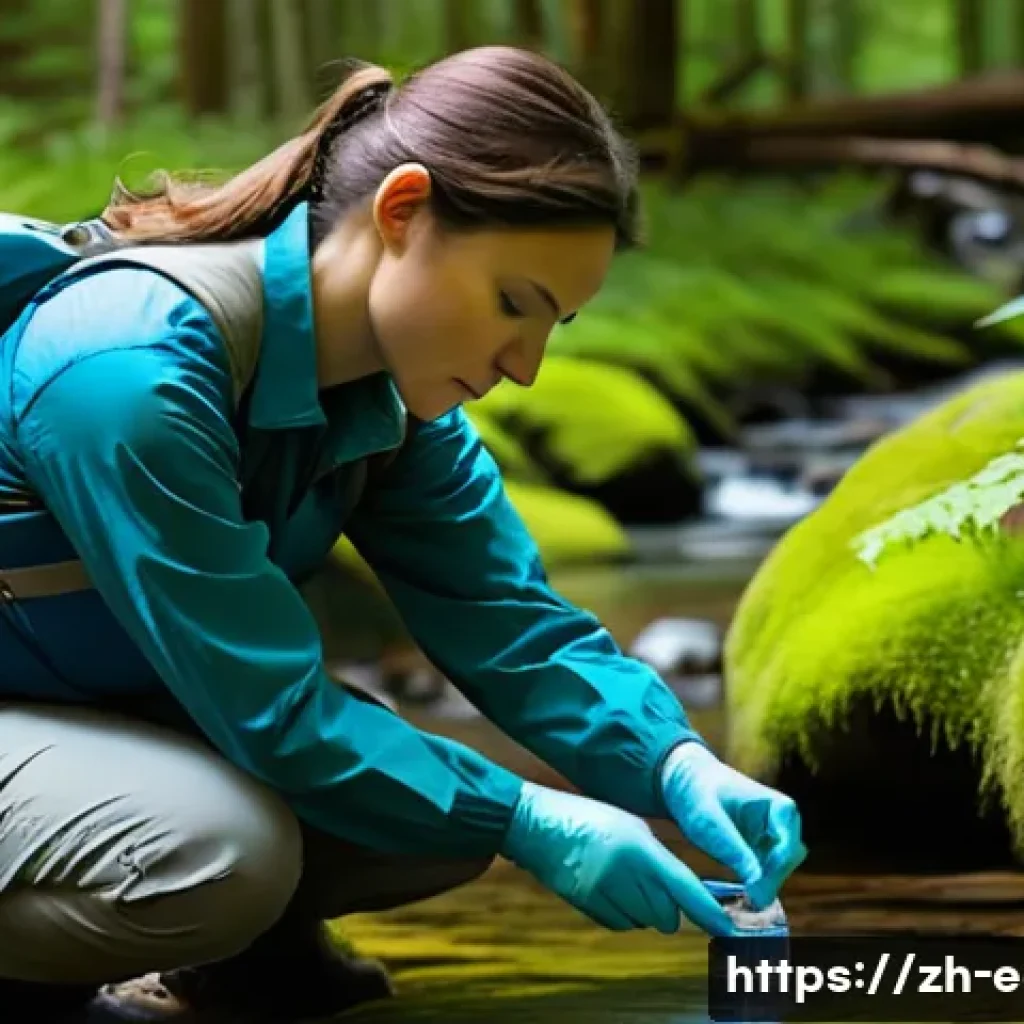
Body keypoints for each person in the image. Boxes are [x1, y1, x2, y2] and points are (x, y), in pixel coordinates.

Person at [0, 45, 806, 1022]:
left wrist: (675, 764)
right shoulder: (128, 370)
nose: (526, 366)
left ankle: (237, 960)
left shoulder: (393, 410)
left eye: (558, 327)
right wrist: (529, 814)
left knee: (434, 819)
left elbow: (508, 620)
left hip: (66, 698)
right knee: (215, 855)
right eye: (515, 304)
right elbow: (274, 712)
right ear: (401, 212)